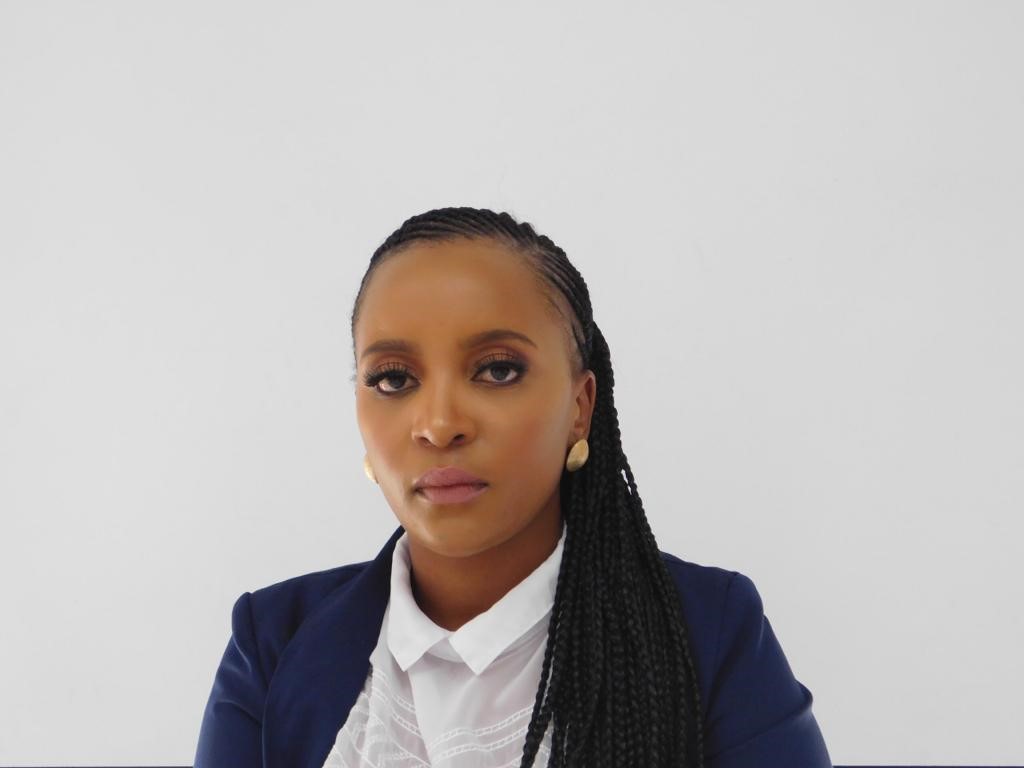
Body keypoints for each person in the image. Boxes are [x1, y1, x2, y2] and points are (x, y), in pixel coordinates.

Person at [193, 207, 833, 768]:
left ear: (580, 407)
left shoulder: (708, 632)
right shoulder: (273, 642)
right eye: (393, 379)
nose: (439, 425)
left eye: (497, 370)